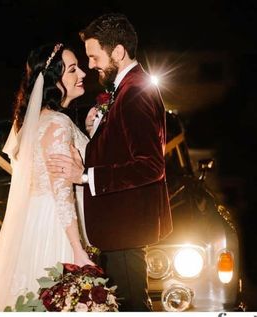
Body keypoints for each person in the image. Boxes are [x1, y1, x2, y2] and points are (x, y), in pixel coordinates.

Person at [47, 13, 173, 311]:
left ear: (117, 51)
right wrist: (95, 133)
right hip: (120, 227)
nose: (90, 65)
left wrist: (87, 176)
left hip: (126, 228)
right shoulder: (126, 89)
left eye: (94, 56)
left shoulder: (135, 92)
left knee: (133, 307)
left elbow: (150, 165)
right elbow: (122, 149)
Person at [0, 43, 94, 311]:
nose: (83, 73)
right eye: (73, 69)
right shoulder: (58, 124)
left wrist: (85, 132)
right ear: (54, 80)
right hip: (59, 226)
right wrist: (77, 250)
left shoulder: (34, 122)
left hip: (32, 223)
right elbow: (63, 194)